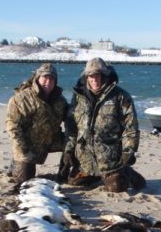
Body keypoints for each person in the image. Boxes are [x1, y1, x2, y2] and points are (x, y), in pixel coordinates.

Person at [61, 57, 145, 192]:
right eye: (91, 76)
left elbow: (131, 129)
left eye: (98, 75)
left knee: (116, 187)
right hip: (85, 159)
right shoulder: (78, 97)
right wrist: (68, 151)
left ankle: (128, 173)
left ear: (105, 76)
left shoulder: (121, 96)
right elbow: (71, 129)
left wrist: (128, 152)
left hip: (110, 159)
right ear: (86, 77)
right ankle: (94, 175)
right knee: (74, 182)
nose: (95, 79)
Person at [6, 63, 68, 184]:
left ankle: (66, 173)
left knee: (75, 144)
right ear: (37, 78)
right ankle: (16, 163)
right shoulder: (21, 99)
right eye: (45, 77)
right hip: (27, 145)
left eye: (52, 79)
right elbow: (13, 127)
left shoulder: (60, 101)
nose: (48, 82)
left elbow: (71, 120)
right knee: (24, 181)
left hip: (50, 140)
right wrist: (23, 151)